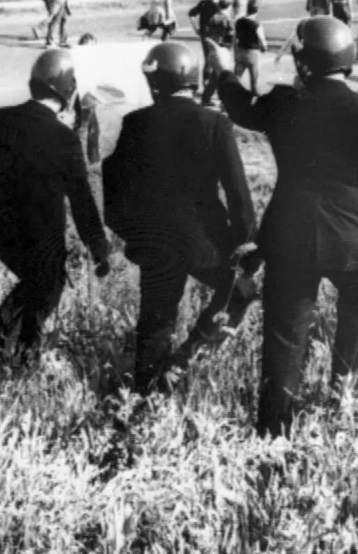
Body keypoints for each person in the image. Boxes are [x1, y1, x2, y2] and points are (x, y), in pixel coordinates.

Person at [210, 17, 358, 437]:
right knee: (356, 334)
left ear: (303, 61)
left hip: (290, 236)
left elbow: (240, 108)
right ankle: (346, 423)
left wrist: (222, 69)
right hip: (353, 240)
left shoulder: (281, 103)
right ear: (348, 58)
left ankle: (274, 435)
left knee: (284, 340)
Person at [102, 43, 258, 394]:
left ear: (155, 82)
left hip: (155, 241)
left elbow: (112, 189)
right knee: (241, 290)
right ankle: (186, 360)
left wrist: (132, 233)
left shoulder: (135, 122)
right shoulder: (214, 122)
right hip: (205, 241)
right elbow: (237, 191)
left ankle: (144, 397)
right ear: (192, 78)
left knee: (156, 321)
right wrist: (247, 241)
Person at [0, 49, 112, 367]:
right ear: (67, 89)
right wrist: (98, 246)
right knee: (47, 282)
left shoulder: (2, 118)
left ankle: (15, 352)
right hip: (37, 231)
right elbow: (81, 199)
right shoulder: (64, 138)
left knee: (41, 281)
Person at [233, 0, 267, 94]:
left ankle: (228, 102)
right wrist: (264, 48)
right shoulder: (256, 24)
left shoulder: (238, 21)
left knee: (236, 78)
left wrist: (235, 52)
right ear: (257, 10)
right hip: (252, 54)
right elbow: (262, 41)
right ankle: (254, 103)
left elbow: (235, 37)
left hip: (240, 51)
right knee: (254, 82)